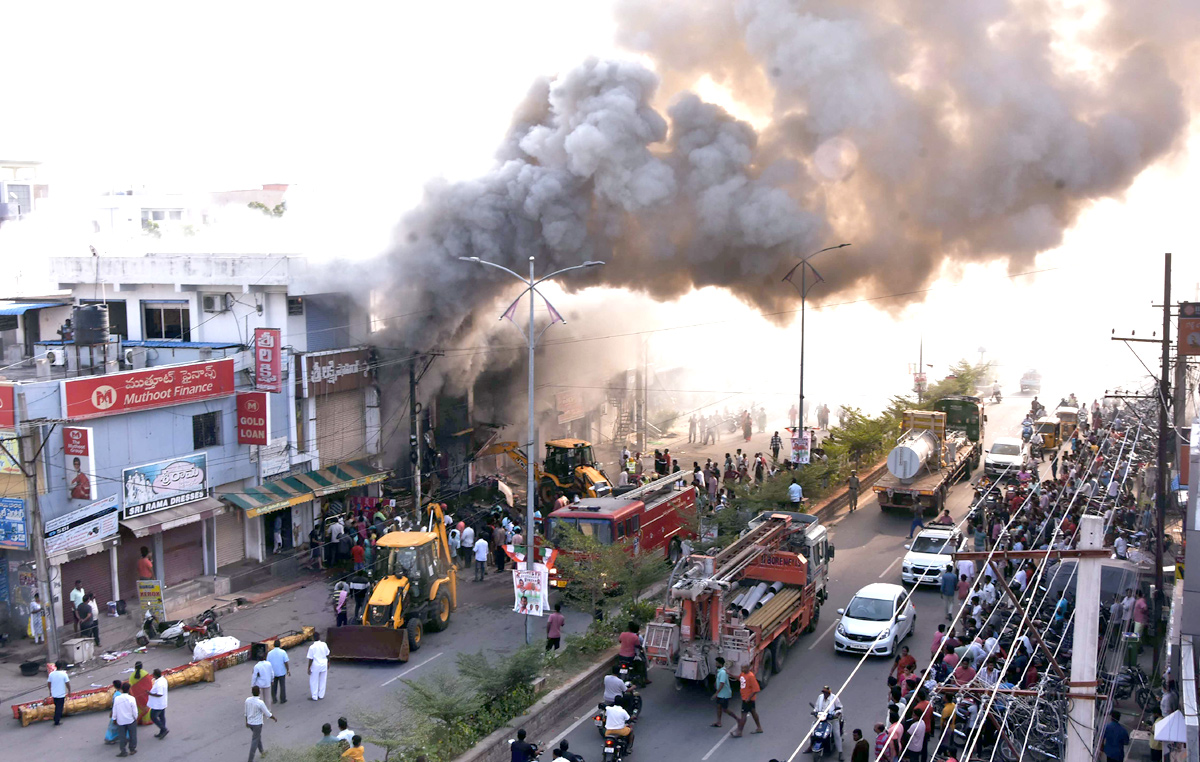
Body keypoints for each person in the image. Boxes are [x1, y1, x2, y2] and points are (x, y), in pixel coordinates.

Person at [245, 685, 276, 762]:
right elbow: (267, 713)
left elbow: (246, 713)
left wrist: (246, 721)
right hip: (257, 724)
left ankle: (262, 751)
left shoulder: (247, 700)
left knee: (257, 737)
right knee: (255, 740)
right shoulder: (260, 703)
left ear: (252, 692)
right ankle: (250, 759)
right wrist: (274, 718)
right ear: (259, 692)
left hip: (250, 723)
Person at [813, 685, 843, 759]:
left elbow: (840, 708)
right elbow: (816, 707)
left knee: (836, 734)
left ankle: (840, 752)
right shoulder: (820, 697)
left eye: (826, 692)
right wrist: (814, 712)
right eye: (824, 692)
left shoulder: (834, 697)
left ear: (829, 692)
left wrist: (837, 714)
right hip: (821, 718)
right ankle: (810, 746)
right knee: (813, 730)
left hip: (832, 720)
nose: (825, 694)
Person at [732, 666, 762, 737]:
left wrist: (748, 698)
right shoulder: (743, 674)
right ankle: (759, 728)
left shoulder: (751, 676)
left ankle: (739, 732)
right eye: (741, 668)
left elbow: (756, 689)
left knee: (744, 714)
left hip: (747, 699)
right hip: (745, 698)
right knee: (753, 712)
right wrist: (730, 674)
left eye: (744, 668)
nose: (742, 669)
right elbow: (740, 679)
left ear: (748, 668)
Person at [711, 656, 740, 728]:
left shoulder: (723, 672)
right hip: (721, 694)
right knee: (719, 707)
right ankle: (719, 722)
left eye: (717, 663)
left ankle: (737, 719)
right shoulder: (719, 671)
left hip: (724, 694)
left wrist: (716, 693)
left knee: (725, 709)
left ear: (720, 664)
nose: (715, 664)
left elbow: (722, 683)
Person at [113, 681, 139, 756]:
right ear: (128, 689)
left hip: (121, 721)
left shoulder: (117, 699)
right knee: (132, 735)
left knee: (122, 737)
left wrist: (114, 719)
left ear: (121, 689)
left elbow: (114, 710)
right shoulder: (131, 698)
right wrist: (135, 718)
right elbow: (135, 711)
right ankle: (132, 749)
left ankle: (123, 751)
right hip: (130, 720)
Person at [307, 630, 330, 701]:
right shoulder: (324, 644)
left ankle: (314, 696)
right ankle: (321, 695)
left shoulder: (312, 647)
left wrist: (309, 668)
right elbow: (328, 654)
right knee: (323, 679)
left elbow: (310, 659)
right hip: (324, 664)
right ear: (319, 637)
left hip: (316, 665)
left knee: (314, 680)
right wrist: (328, 662)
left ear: (313, 638)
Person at [47, 661, 70, 726]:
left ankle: (57, 717)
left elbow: (49, 683)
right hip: (61, 694)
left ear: (55, 666)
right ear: (61, 666)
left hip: (54, 694)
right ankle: (56, 720)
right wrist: (69, 690)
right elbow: (67, 683)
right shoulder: (64, 674)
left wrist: (50, 691)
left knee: (57, 706)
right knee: (59, 708)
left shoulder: (51, 674)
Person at [148, 667, 168, 739]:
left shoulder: (159, 683)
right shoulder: (163, 680)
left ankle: (164, 729)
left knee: (153, 717)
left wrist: (150, 693)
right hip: (162, 703)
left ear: (156, 675)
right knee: (162, 717)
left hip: (158, 704)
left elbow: (160, 694)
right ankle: (162, 731)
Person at [268, 639, 290, 704]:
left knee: (273, 686)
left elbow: (268, 663)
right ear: (280, 645)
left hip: (273, 672)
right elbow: (286, 662)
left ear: (273, 645)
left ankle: (274, 699)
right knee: (282, 685)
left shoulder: (270, 653)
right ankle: (283, 699)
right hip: (281, 671)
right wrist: (288, 670)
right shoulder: (283, 652)